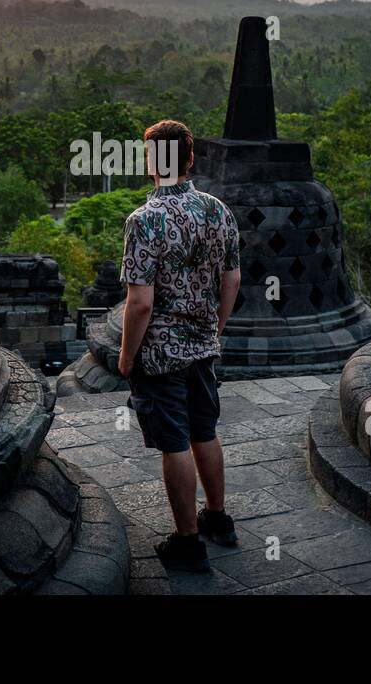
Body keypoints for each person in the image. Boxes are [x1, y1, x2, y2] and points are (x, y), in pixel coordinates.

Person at [117, 119, 241, 573]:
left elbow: (140, 304)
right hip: (204, 347)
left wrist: (127, 357)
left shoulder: (144, 220)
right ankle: (219, 518)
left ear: (152, 162)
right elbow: (233, 279)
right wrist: (215, 328)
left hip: (161, 354)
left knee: (175, 444)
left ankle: (188, 541)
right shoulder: (216, 210)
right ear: (190, 160)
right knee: (204, 431)